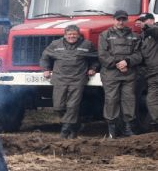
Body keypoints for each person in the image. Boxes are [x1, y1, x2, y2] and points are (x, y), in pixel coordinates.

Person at [40, 24, 96, 138]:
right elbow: (45, 57)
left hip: (77, 79)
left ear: (78, 35)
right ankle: (75, 125)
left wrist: (93, 68)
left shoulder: (87, 45)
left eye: (74, 34)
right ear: (65, 35)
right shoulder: (55, 44)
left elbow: (95, 58)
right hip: (60, 79)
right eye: (69, 34)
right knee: (58, 107)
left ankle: (64, 131)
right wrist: (46, 69)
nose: (72, 36)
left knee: (72, 106)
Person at [98, 10, 142, 138]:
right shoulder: (105, 35)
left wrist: (127, 62)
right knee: (111, 100)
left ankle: (128, 128)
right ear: (114, 20)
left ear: (127, 20)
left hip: (129, 74)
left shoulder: (134, 36)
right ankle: (112, 130)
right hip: (110, 74)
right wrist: (119, 64)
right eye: (118, 19)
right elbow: (102, 55)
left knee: (129, 100)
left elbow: (139, 55)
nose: (121, 22)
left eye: (123, 19)